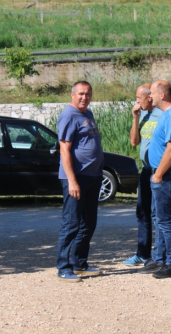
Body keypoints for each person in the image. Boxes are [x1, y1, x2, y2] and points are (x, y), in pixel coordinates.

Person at [138, 80, 171, 279]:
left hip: (166, 176)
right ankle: (159, 258)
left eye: (151, 93)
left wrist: (158, 174)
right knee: (158, 217)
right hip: (162, 174)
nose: (149, 96)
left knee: (165, 220)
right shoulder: (170, 114)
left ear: (162, 95)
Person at [56, 81, 104, 283]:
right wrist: (72, 181)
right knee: (71, 222)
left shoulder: (87, 113)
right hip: (76, 177)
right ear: (72, 94)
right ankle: (63, 267)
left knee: (89, 223)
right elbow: (64, 150)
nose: (85, 97)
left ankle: (79, 263)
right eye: (81, 94)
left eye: (88, 94)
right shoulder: (68, 115)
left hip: (92, 176)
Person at [123, 83, 163, 266]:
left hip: (159, 171)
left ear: (149, 97)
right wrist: (135, 118)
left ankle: (159, 255)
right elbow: (134, 142)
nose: (136, 101)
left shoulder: (163, 114)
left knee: (158, 214)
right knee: (142, 212)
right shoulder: (144, 115)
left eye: (139, 98)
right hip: (146, 170)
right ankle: (142, 254)